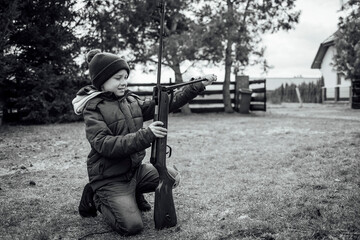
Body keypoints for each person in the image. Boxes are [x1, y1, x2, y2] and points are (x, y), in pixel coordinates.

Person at [72, 49, 217, 236]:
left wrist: (196, 86)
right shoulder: (93, 109)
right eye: (117, 78)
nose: (123, 82)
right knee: (131, 226)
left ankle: (132, 193)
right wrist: (146, 135)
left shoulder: (131, 100)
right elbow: (104, 144)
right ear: (102, 80)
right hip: (109, 177)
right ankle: (96, 195)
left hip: (134, 171)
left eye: (125, 77)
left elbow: (167, 103)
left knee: (173, 177)